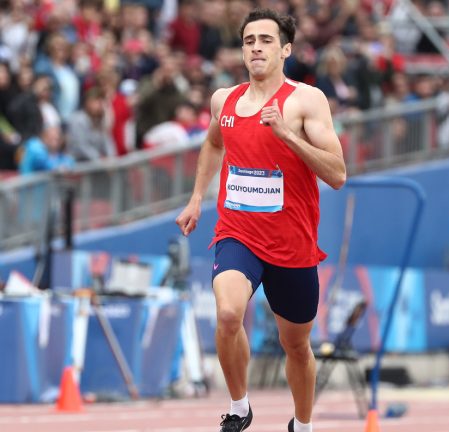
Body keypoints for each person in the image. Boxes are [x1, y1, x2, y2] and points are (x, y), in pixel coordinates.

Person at [175, 8, 346, 432]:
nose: (256, 47)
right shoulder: (224, 100)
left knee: (297, 345)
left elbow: (338, 174)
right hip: (238, 233)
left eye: (266, 40)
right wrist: (197, 197)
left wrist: (287, 135)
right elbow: (214, 144)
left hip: (292, 243)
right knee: (229, 315)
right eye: (249, 40)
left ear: (285, 49)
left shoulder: (306, 100)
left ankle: (302, 424)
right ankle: (238, 408)